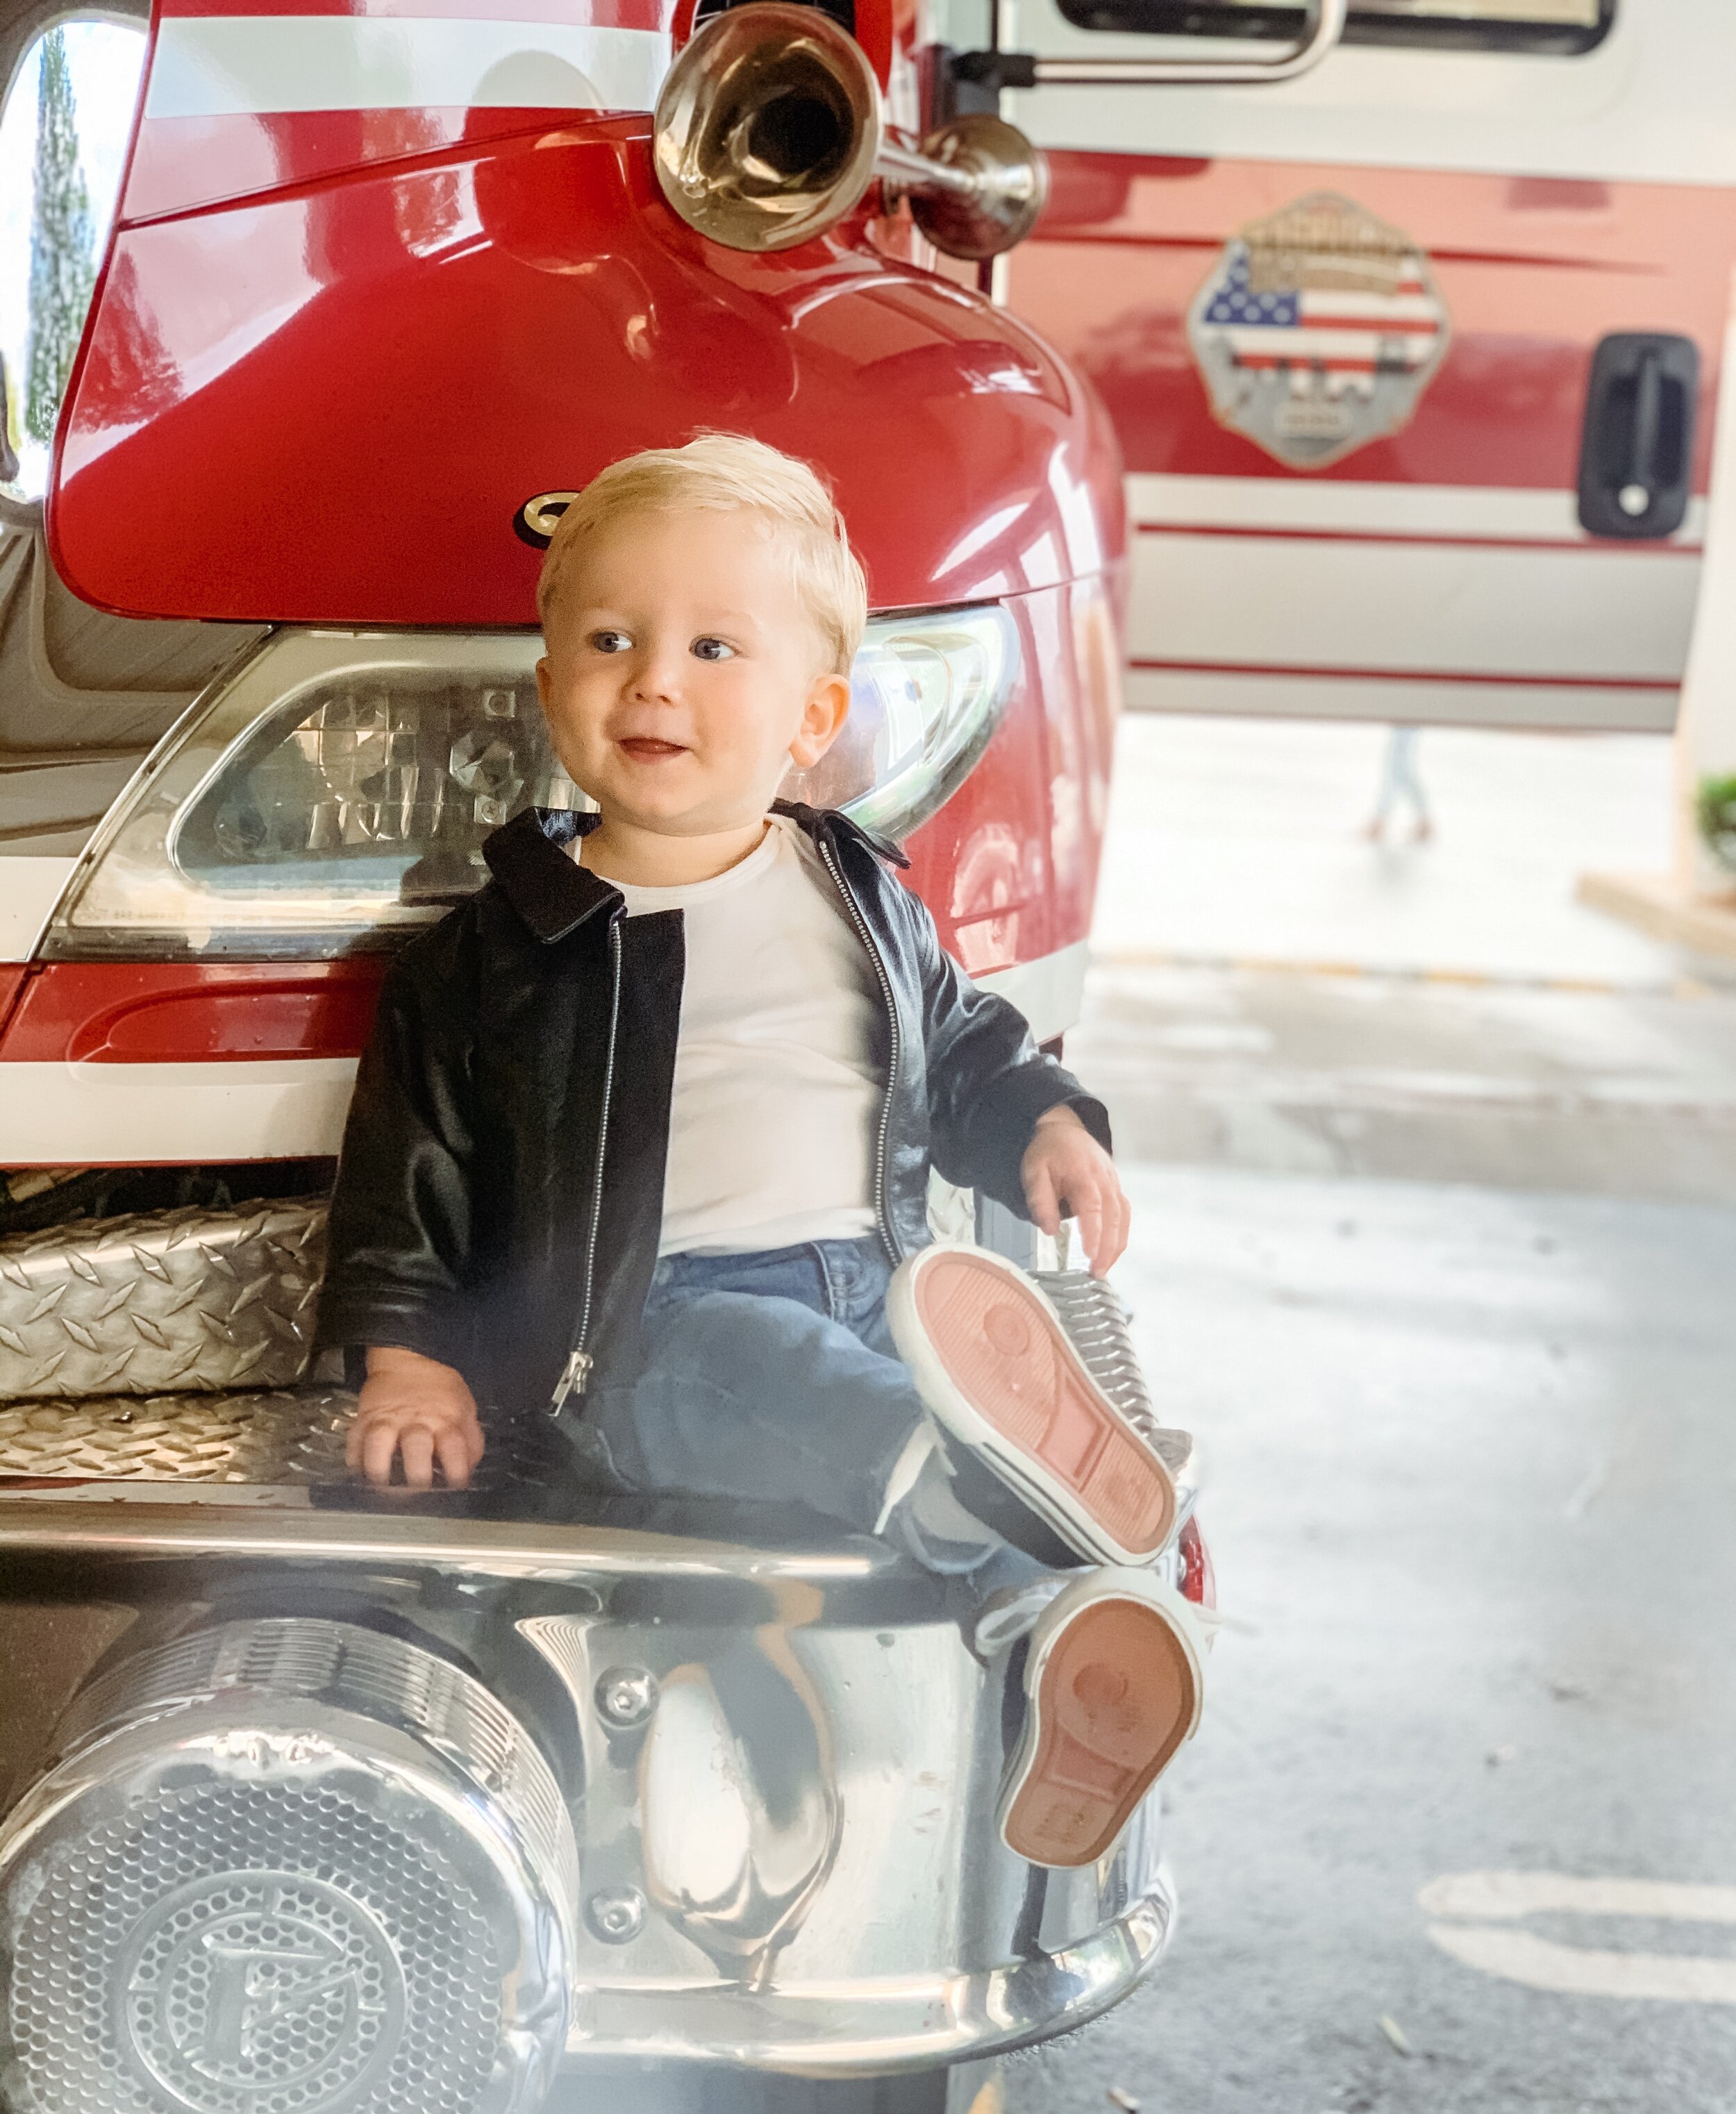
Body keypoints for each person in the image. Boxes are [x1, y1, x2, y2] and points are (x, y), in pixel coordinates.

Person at [315, 433, 1208, 1872]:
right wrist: (408, 1354)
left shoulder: (852, 886)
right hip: (649, 1323)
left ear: (814, 715)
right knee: (792, 1386)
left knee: (896, 1373)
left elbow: (959, 1039)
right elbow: (406, 1171)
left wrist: (1040, 1120)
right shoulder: (494, 952)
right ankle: (1027, 1503)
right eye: (607, 639)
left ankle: (1061, 1643)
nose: (652, 679)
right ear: (550, 690)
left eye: (714, 647)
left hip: (885, 1288)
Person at [1365, 724, 1434, 843]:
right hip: (1407, 716)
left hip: (1409, 714)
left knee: (1398, 764)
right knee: (1399, 763)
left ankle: (1380, 821)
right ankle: (1423, 821)